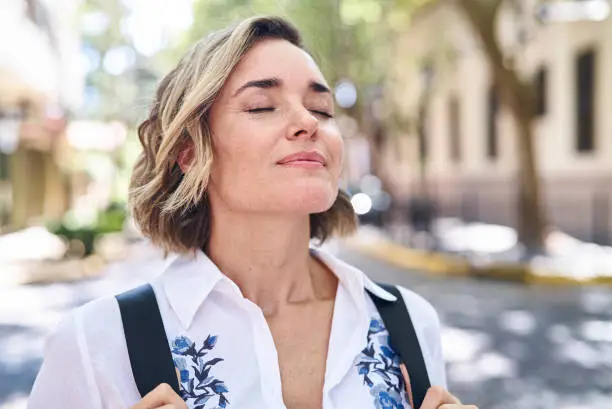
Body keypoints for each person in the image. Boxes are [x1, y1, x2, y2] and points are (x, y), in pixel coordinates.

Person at [28, 16, 476, 409]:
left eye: (321, 108)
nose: (309, 122)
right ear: (189, 150)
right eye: (262, 105)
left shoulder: (411, 324)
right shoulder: (95, 346)